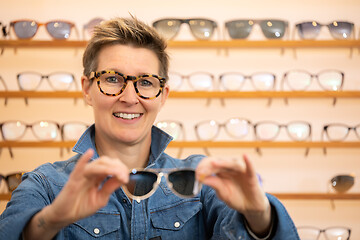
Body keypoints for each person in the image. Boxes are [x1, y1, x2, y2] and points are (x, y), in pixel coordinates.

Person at [0, 16, 299, 240]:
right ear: (87, 89)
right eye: (112, 79)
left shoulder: (199, 182)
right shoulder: (45, 185)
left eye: (145, 82)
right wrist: (51, 220)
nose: (129, 98)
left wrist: (259, 216)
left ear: (163, 95)